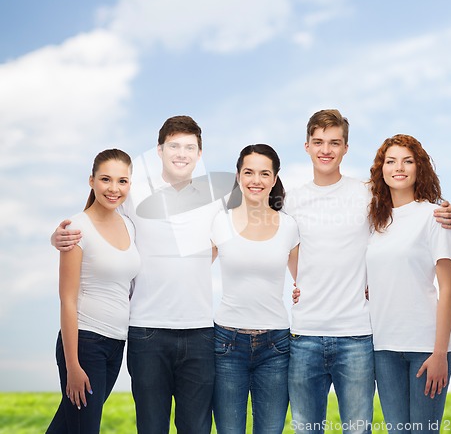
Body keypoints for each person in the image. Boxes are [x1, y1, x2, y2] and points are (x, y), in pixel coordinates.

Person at [285, 110, 451, 434]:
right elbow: (282, 244)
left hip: (358, 335)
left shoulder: (369, 196)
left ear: (346, 148)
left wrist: (448, 211)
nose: (326, 149)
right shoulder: (293, 201)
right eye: (319, 142)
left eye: (335, 142)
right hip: (317, 335)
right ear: (306, 146)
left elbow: (411, 211)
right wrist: (301, 282)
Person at [51, 116, 225, 434]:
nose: (181, 153)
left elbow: (248, 228)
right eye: (174, 146)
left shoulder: (214, 197)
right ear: (159, 150)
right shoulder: (134, 191)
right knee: (150, 427)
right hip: (146, 332)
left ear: (200, 154)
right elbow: (96, 217)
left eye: (190, 147)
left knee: (196, 427)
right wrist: (59, 238)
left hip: (199, 331)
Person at [47, 149, 140, 434]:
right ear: (91, 181)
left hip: (116, 344)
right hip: (85, 344)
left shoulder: (128, 224)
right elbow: (67, 300)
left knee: (67, 426)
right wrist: (73, 365)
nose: (114, 189)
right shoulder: (77, 228)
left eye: (122, 181)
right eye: (106, 179)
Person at [366, 134, 451, 434]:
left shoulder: (435, 216)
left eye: (408, 160)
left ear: (420, 168)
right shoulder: (375, 222)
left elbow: (448, 288)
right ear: (382, 169)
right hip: (384, 349)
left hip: (425, 348)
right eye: (390, 161)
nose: (398, 167)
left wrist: (440, 352)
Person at [211, 144, 299, 434]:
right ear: (238, 176)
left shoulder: (289, 226)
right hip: (226, 344)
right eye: (249, 172)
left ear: (274, 179)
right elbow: (193, 274)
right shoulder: (220, 222)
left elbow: (307, 281)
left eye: (264, 173)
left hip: (276, 346)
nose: (256, 180)